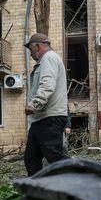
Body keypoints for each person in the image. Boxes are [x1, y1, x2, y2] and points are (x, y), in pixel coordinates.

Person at [23, 33, 69, 176]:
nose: (30, 54)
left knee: (55, 157)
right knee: (31, 158)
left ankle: (83, 179)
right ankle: (38, 190)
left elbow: (47, 85)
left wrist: (34, 105)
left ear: (38, 45)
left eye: (31, 49)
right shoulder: (45, 61)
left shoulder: (49, 58)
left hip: (50, 118)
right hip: (41, 119)